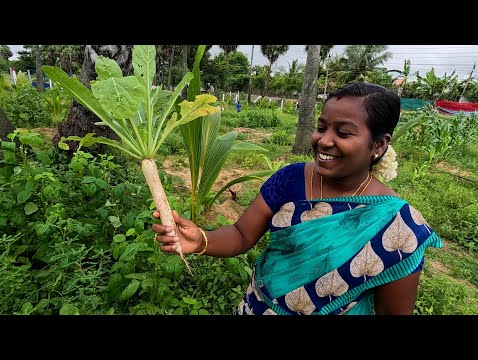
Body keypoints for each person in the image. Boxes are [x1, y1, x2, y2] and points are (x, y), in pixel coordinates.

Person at [152, 81, 443, 315]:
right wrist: (201, 240)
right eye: (321, 127)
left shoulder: (399, 227)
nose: (324, 140)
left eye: (342, 132)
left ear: (378, 145)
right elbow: (242, 234)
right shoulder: (290, 178)